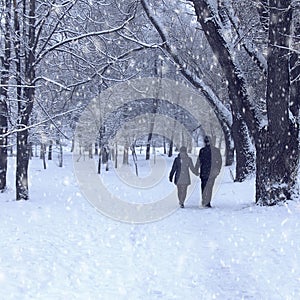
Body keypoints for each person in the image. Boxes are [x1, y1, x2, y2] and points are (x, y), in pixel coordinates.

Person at [195, 136, 222, 208]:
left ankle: (205, 200)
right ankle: (207, 201)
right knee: (209, 187)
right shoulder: (216, 150)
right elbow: (219, 162)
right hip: (211, 172)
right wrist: (217, 170)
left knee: (204, 186)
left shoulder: (203, 150)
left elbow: (199, 161)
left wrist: (196, 169)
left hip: (204, 172)